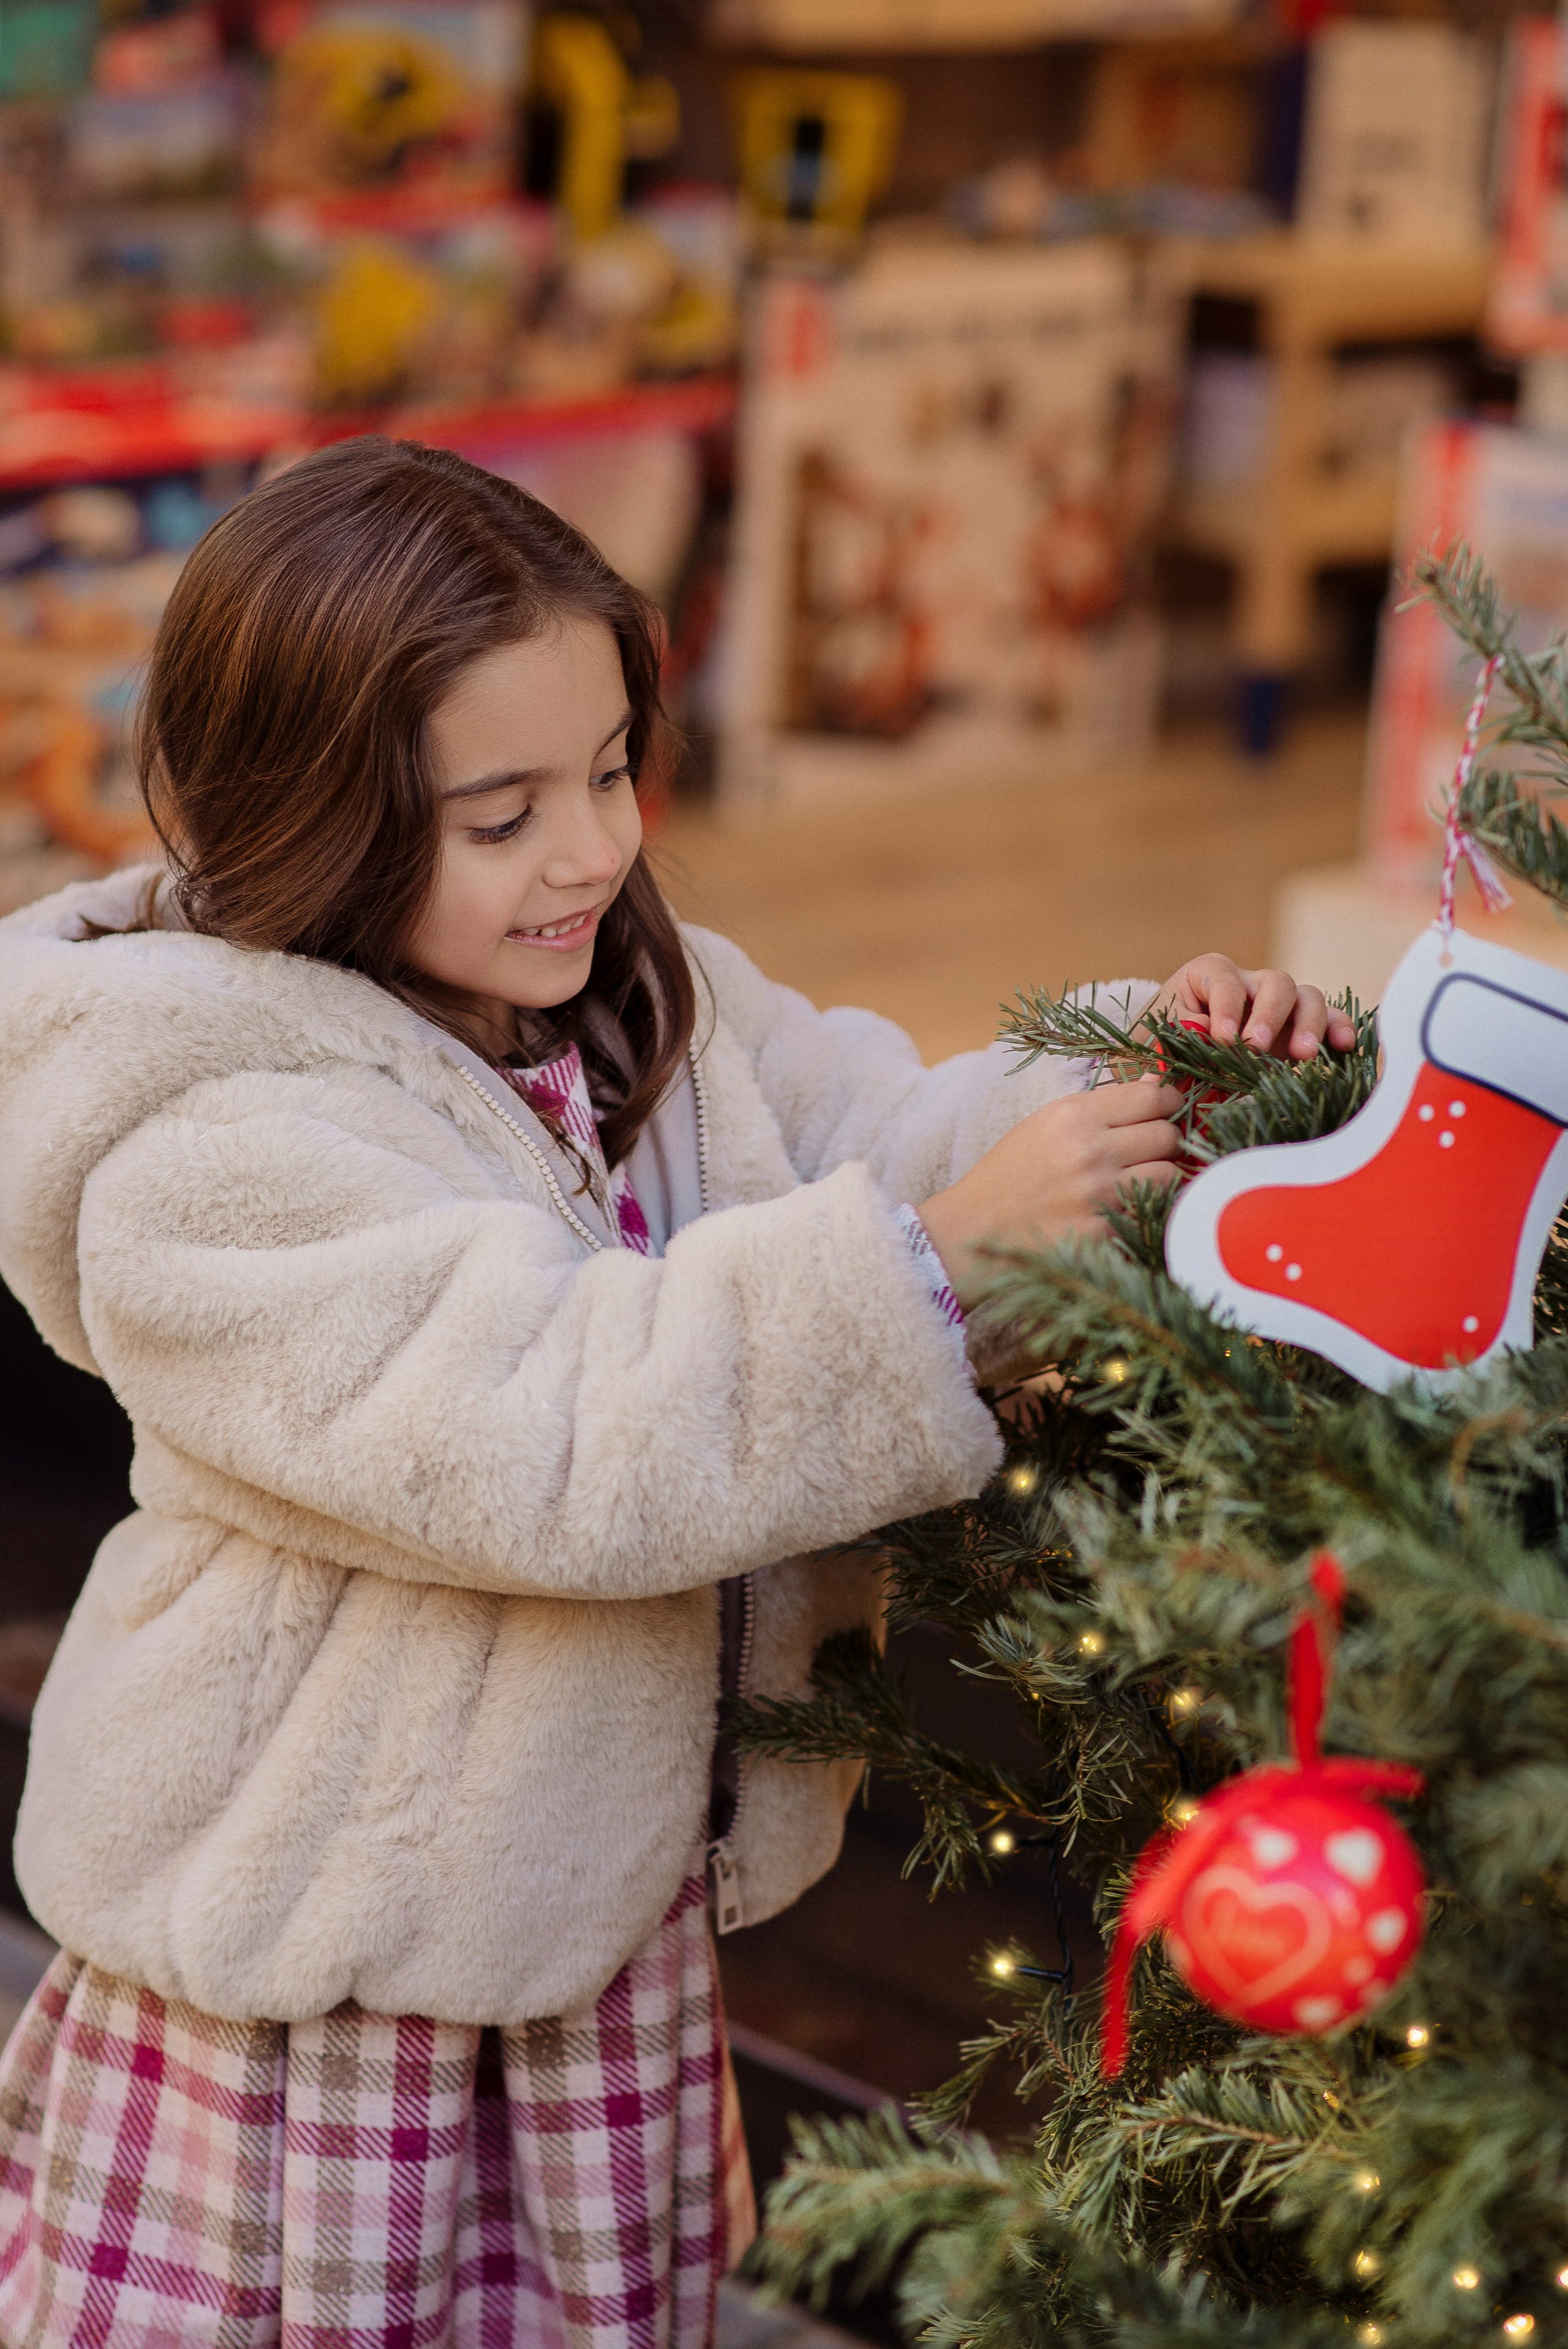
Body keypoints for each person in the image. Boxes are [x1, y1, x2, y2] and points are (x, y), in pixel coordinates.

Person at [0, 437, 1351, 2349]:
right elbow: (555, 1423)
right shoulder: (206, 1143)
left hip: (594, 1910)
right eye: (503, 813)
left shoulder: (643, 1000)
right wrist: (944, 1266)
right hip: (332, 1982)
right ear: (310, 815)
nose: (592, 849)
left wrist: (1128, 1082)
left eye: (615, 767)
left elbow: (881, 1135)